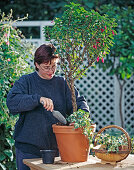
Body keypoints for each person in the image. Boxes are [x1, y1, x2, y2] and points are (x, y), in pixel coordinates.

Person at [6, 44, 89, 170]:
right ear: (36, 65)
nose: (51, 71)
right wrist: (37, 99)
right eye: (46, 67)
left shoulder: (62, 83)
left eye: (54, 66)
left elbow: (78, 103)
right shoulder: (26, 81)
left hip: (56, 151)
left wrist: (79, 118)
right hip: (28, 150)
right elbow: (12, 102)